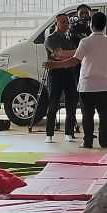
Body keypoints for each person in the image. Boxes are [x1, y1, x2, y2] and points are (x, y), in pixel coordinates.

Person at [45, 11, 107, 148]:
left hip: (87, 85)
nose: (67, 24)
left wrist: (55, 64)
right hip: (104, 85)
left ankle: (87, 141)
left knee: (87, 115)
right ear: (104, 25)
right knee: (104, 115)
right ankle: (104, 141)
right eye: (63, 21)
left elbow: (73, 61)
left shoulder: (85, 42)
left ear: (91, 25)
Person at [41, 14, 80, 143]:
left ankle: (69, 132)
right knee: (53, 103)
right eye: (62, 22)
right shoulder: (50, 39)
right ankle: (49, 134)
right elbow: (59, 55)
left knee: (72, 103)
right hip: (55, 74)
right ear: (56, 23)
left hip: (69, 74)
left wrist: (72, 54)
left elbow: (72, 58)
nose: (65, 24)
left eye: (67, 22)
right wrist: (77, 52)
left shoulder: (69, 39)